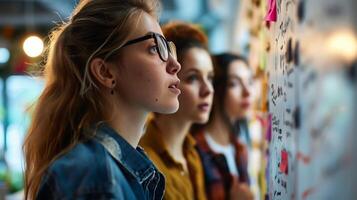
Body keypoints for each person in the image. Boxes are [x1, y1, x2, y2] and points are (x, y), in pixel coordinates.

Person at [23, 0, 181, 199]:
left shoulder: (106, 171)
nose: (175, 64)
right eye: (154, 47)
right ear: (105, 72)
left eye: (167, 47)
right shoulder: (96, 177)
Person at [139, 21, 214, 200]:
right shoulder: (144, 163)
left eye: (210, 77)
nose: (208, 89)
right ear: (169, 79)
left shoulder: (192, 154)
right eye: (193, 78)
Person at [193, 53, 254, 200]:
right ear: (217, 88)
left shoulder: (240, 148)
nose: (247, 92)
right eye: (234, 83)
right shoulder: (195, 151)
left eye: (250, 82)